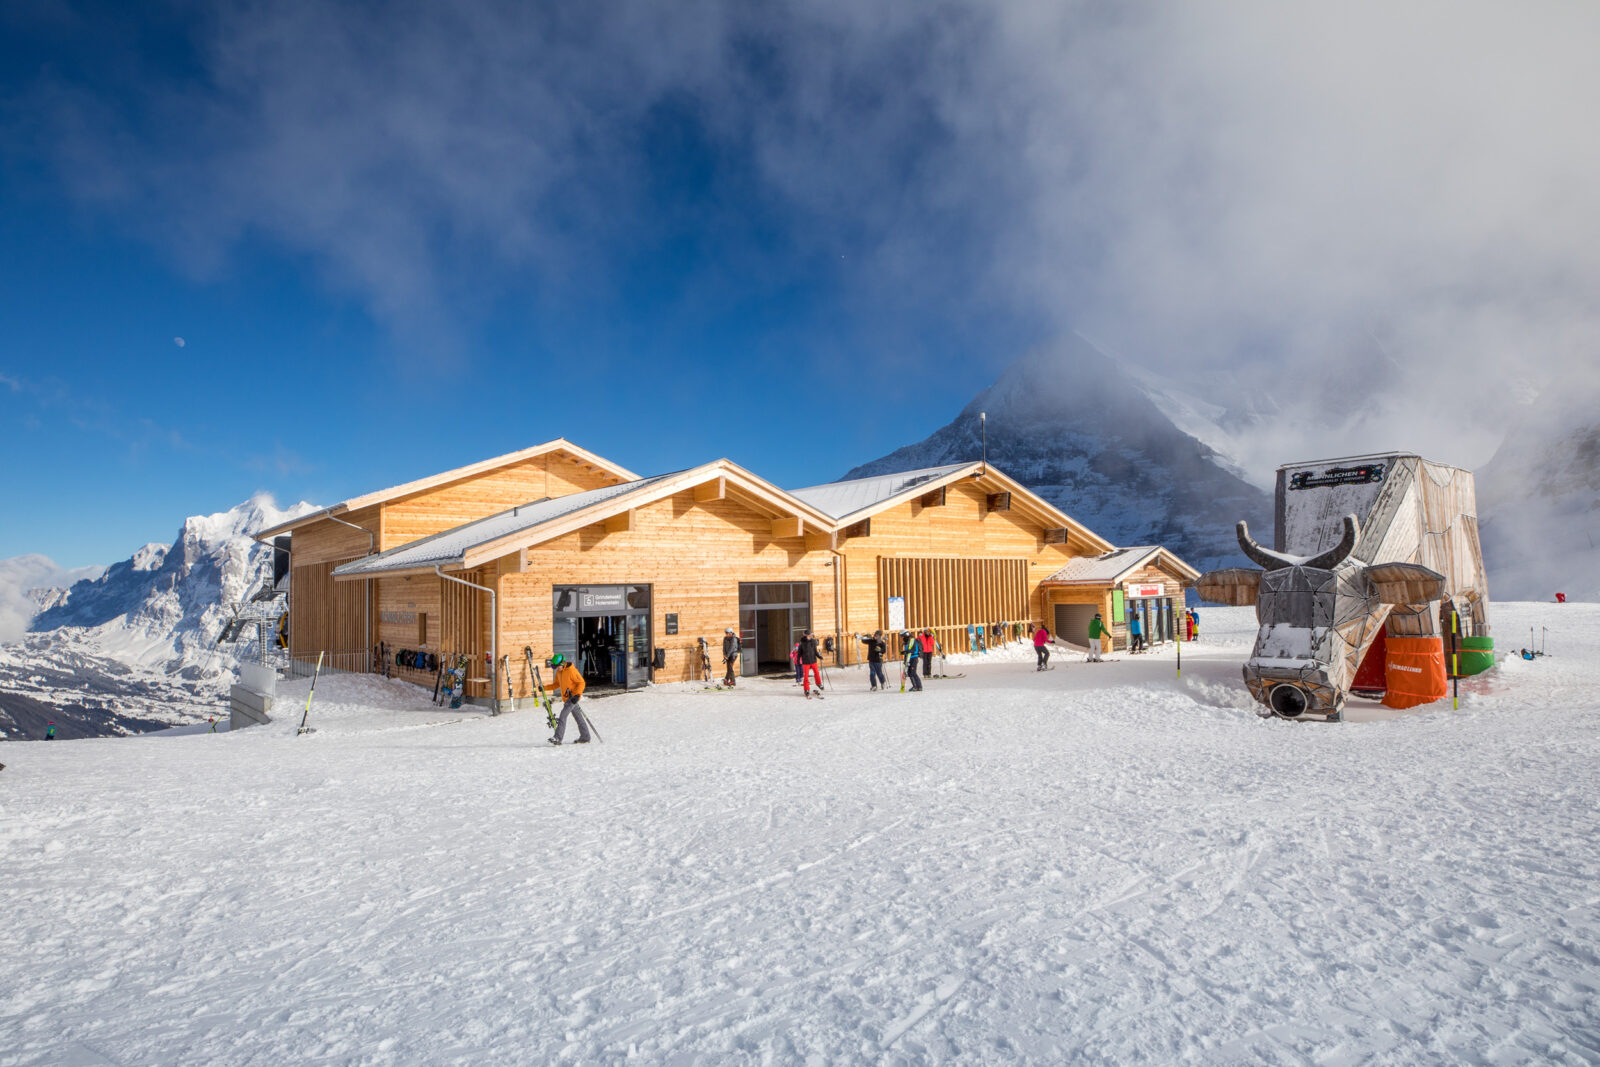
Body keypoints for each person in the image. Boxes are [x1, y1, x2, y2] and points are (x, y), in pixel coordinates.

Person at [544, 653, 592, 745]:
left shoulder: (571, 671)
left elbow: (581, 682)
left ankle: (558, 738)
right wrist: (544, 687)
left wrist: (577, 695)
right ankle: (585, 737)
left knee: (563, 716)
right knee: (578, 717)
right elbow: (556, 684)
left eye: (557, 666)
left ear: (562, 663)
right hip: (566, 699)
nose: (557, 669)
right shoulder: (559, 672)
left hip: (572, 698)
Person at [796, 630, 823, 697]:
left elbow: (815, 651)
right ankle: (806, 689)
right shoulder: (802, 644)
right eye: (809, 635)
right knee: (806, 676)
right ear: (805, 636)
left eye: (811, 635)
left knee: (816, 672)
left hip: (813, 660)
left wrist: (819, 656)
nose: (810, 636)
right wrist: (798, 661)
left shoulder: (813, 642)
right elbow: (799, 654)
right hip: (806, 662)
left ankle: (819, 683)